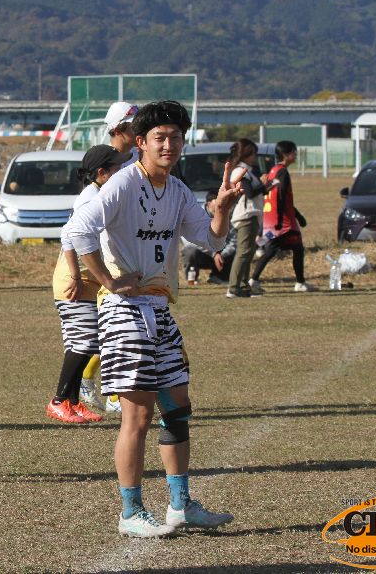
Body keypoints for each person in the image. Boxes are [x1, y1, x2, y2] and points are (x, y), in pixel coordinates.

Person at [66, 100, 235, 538]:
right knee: (137, 419)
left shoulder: (177, 189)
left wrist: (222, 207)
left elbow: (211, 239)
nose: (169, 145)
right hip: (124, 313)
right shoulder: (123, 183)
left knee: (177, 411)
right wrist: (108, 280)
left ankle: (181, 505)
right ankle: (131, 511)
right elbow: (78, 229)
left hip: (159, 311)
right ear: (140, 142)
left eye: (176, 137)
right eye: (160, 137)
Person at [48, 145, 129, 424]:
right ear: (101, 172)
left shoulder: (101, 194)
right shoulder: (91, 197)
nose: (121, 173)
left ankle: (71, 402)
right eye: (116, 169)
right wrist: (74, 274)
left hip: (87, 280)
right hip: (76, 281)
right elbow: (69, 234)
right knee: (86, 341)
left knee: (82, 342)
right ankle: (59, 400)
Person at [78, 102, 140, 413]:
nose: (139, 128)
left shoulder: (141, 157)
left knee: (125, 331)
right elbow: (83, 224)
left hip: (138, 251)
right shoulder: (104, 163)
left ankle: (93, 382)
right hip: (112, 256)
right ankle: (110, 392)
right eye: (133, 124)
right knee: (117, 332)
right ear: (118, 128)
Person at [249, 140, 313, 294]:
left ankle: (254, 280)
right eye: (293, 152)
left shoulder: (274, 170)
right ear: (286, 154)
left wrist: (298, 216)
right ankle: (299, 282)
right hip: (283, 222)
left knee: (274, 249)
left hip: (274, 219)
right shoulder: (282, 172)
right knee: (294, 248)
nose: (295, 155)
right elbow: (281, 197)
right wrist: (283, 219)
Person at [226, 139, 266, 298]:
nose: (255, 157)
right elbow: (249, 193)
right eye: (253, 153)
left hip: (251, 215)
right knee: (243, 252)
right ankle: (233, 287)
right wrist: (263, 184)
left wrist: (264, 186)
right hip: (246, 216)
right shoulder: (240, 171)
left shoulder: (247, 171)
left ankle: (243, 285)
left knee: (248, 253)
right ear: (247, 154)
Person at [181, 188, 236, 287]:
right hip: (202, 253)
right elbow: (190, 240)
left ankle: (219, 277)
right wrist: (213, 253)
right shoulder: (195, 215)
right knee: (190, 250)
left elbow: (233, 240)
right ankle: (192, 278)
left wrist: (223, 254)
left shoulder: (225, 214)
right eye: (218, 204)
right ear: (208, 204)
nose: (220, 207)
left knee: (234, 251)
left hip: (220, 254)